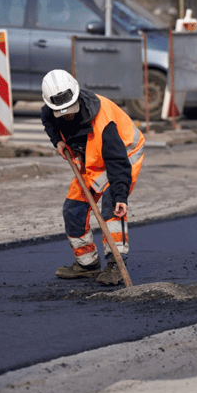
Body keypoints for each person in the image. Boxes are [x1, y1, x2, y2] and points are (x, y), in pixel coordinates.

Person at [41, 70, 145, 285]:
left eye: (70, 111)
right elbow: (48, 120)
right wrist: (57, 142)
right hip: (91, 159)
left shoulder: (103, 122)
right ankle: (87, 264)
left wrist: (120, 197)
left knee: (111, 208)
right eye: (62, 113)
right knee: (73, 208)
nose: (67, 116)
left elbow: (117, 164)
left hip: (123, 156)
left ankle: (116, 264)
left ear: (77, 97)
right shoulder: (52, 108)